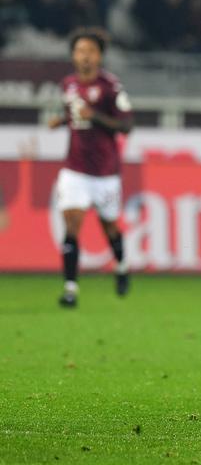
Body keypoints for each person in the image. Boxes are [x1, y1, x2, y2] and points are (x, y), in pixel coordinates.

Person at [48, 28, 133, 308]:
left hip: (106, 173)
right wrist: (62, 121)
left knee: (110, 226)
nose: (85, 56)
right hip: (74, 169)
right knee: (71, 225)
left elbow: (126, 125)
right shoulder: (68, 85)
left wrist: (95, 116)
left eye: (90, 51)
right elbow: (73, 115)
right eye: (80, 51)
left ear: (99, 56)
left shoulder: (111, 87)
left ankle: (121, 267)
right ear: (73, 55)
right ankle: (70, 288)